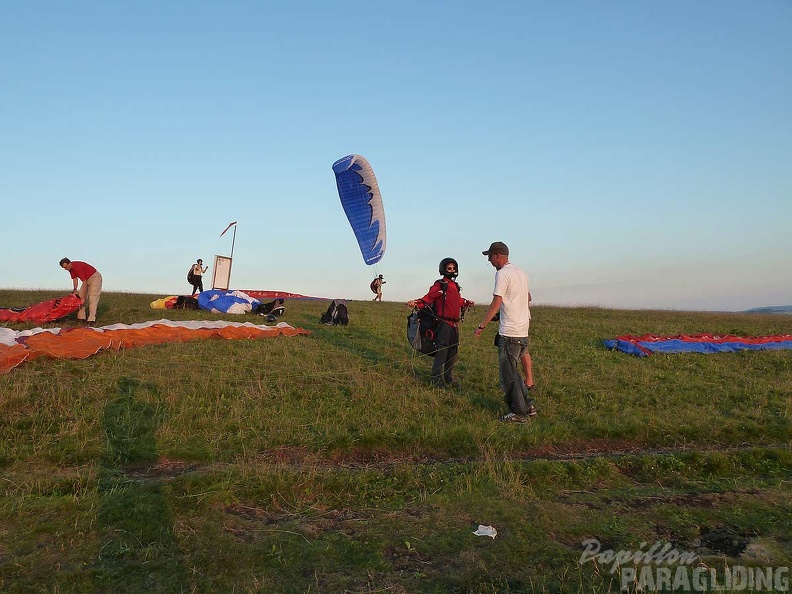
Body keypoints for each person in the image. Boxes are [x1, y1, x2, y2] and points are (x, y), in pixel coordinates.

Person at [473, 241, 536, 423]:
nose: (489, 260)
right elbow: (527, 297)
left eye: (490, 257)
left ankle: (519, 414)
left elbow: (496, 302)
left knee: (508, 377)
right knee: (514, 373)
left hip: (509, 333)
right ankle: (528, 406)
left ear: (497, 256)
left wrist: (482, 326)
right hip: (522, 331)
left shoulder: (502, 274)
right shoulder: (521, 273)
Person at [407, 258, 474, 388]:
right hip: (443, 324)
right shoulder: (440, 285)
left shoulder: (455, 286)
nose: (452, 271)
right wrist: (415, 303)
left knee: (453, 352)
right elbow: (427, 298)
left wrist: (466, 302)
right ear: (443, 269)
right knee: (442, 352)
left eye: (454, 268)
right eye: (449, 269)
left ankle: (449, 377)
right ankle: (436, 379)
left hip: (454, 325)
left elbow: (457, 300)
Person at [59, 258, 103, 326]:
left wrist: (83, 297)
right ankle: (81, 318)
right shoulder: (70, 269)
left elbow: (84, 282)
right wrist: (75, 289)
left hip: (95, 278)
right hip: (87, 279)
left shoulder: (77, 267)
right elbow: (74, 279)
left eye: (66, 267)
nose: (65, 269)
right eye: (64, 268)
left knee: (92, 298)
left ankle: (91, 319)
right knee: (79, 297)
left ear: (69, 263)